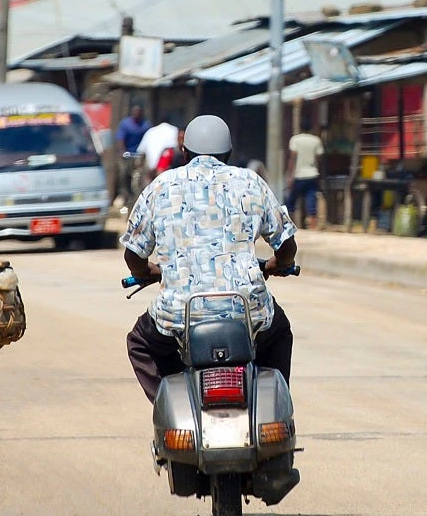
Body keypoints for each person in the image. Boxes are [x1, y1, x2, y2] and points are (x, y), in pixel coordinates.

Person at [122, 115, 298, 403]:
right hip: (247, 311)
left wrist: (146, 271)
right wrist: (280, 263)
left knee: (140, 343)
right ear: (228, 153)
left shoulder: (160, 186)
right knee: (278, 332)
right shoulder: (250, 182)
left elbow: (134, 254)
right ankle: (273, 406)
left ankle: (173, 407)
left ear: (184, 152)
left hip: (179, 315)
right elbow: (286, 243)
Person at [284, 119, 324, 229]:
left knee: (291, 201)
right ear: (311, 128)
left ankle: (287, 225)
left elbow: (293, 158)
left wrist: (289, 175)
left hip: (298, 175)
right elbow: (318, 158)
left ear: (300, 127)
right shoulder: (316, 140)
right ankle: (313, 226)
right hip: (312, 175)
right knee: (311, 200)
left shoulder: (295, 140)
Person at [115, 104, 152, 208]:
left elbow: (148, 139)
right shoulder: (125, 124)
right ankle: (125, 195)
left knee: (141, 175)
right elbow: (120, 138)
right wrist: (122, 151)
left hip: (139, 155)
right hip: (127, 154)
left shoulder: (145, 125)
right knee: (124, 173)